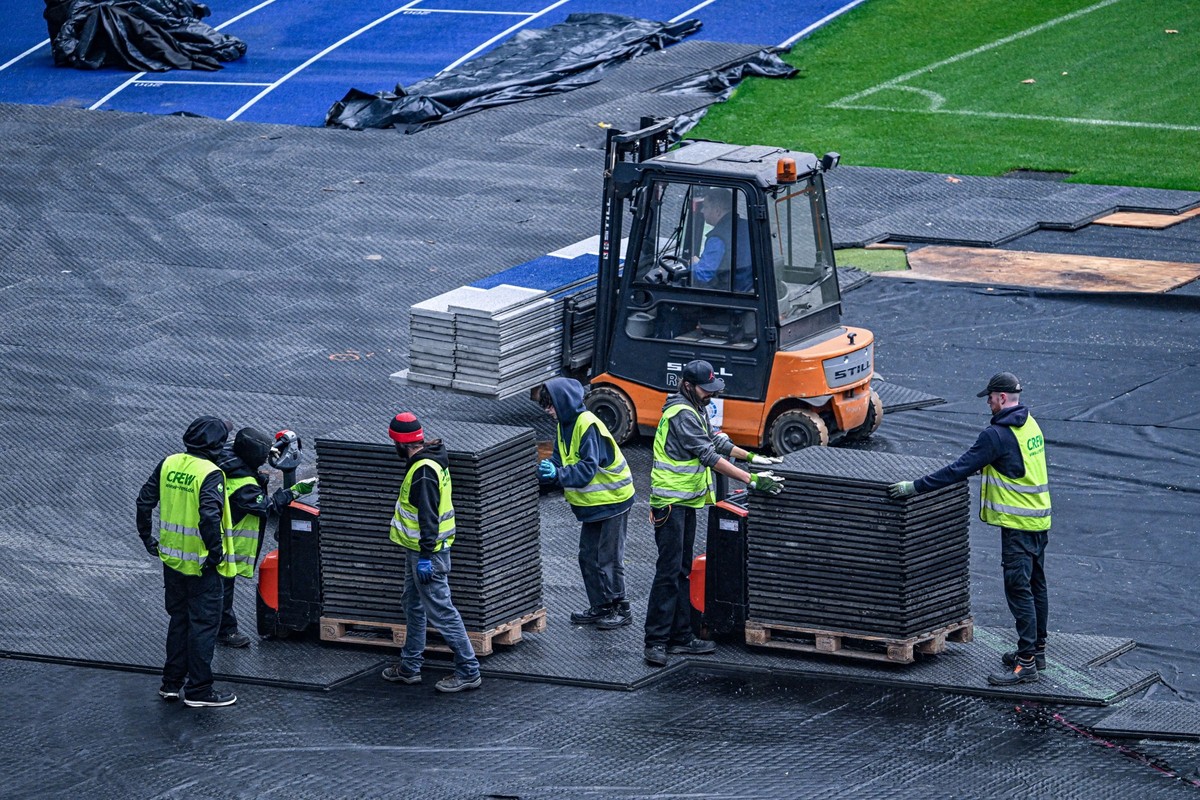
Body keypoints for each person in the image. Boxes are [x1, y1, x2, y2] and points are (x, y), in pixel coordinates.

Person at [889, 372, 1051, 686]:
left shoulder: (997, 436)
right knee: (1036, 587)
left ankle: (1027, 662)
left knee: (1020, 591)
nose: (988, 402)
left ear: (1002, 398)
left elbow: (958, 469)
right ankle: (1036, 651)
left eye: (990, 397)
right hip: (1039, 521)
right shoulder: (1029, 425)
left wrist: (915, 487)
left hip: (1018, 526)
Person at [644, 360, 785, 667]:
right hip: (670, 504)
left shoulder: (695, 408)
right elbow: (708, 455)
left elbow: (717, 440)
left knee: (681, 570)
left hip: (686, 503)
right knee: (668, 572)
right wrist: (751, 478)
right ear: (687, 386)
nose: (710, 395)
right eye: (705, 390)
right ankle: (655, 641)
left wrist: (753, 457)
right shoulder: (681, 413)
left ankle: (680, 638)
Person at [135, 415, 238, 708]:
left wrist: (147, 537)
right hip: (202, 565)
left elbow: (144, 500)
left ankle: (170, 684)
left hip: (172, 560)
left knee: (179, 621)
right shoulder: (211, 473)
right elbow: (209, 516)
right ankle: (199, 690)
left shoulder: (169, 462)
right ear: (217, 445)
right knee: (203, 626)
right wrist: (215, 554)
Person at [380, 412, 482, 693]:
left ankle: (469, 670)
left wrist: (425, 555)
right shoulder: (428, 462)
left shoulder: (423, 471)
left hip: (428, 555)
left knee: (441, 611)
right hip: (418, 552)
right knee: (412, 604)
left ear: (401, 443)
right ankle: (410, 666)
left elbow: (428, 518)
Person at [536, 378, 637, 630]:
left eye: (552, 406)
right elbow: (562, 459)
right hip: (594, 504)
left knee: (609, 557)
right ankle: (601, 606)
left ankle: (620, 608)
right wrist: (551, 470)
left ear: (565, 403)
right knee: (587, 556)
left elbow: (587, 469)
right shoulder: (564, 426)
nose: (550, 412)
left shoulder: (588, 425)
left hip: (614, 500)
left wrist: (558, 475)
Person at [213, 427, 316, 647]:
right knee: (222, 589)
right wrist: (293, 492)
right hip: (224, 546)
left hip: (210, 538)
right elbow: (267, 507)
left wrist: (269, 449)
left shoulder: (225, 457)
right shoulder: (244, 487)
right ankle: (226, 631)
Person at [690, 188, 752, 293]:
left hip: (726, 295)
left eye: (705, 207)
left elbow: (703, 276)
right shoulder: (747, 226)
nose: (702, 211)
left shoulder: (718, 238)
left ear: (717, 210)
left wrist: (693, 265)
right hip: (746, 288)